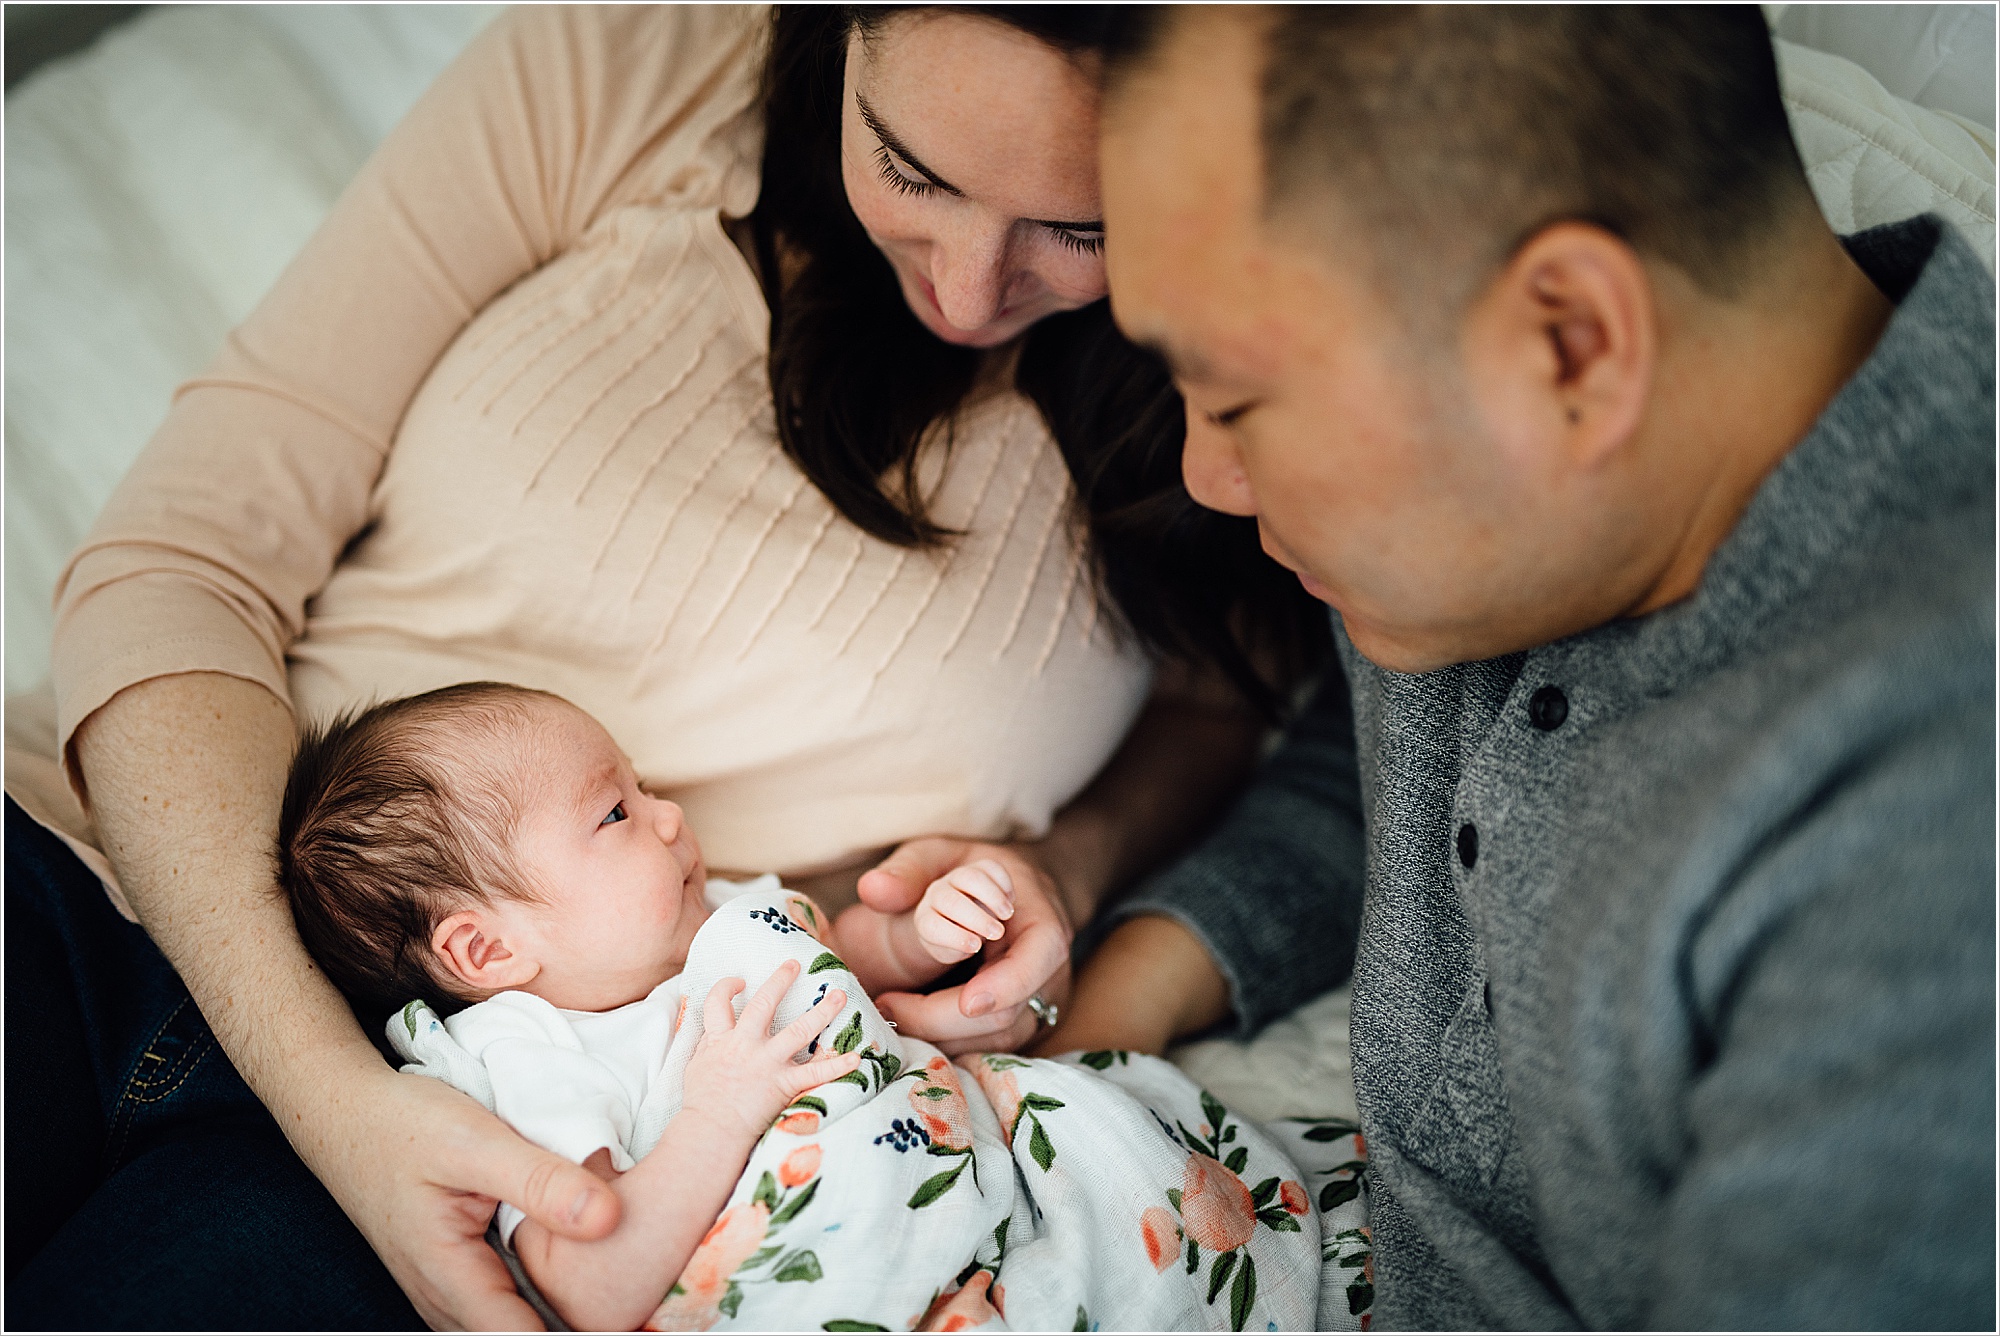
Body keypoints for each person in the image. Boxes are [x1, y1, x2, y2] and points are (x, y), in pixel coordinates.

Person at [3, 6, 1328, 1327]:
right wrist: (333, 1098)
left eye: (1081, 226)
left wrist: (1069, 873)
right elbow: (183, 557)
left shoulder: (1254, 362)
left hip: (515, 1162)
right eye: (912, 169)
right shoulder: (648, 60)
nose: (971, 288)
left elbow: (1225, 709)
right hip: (90, 868)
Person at [1053, 5, 1995, 1329]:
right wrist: (1118, 998)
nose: (1207, 476)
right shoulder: (1520, 524)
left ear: (1572, 343)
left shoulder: (1931, 843)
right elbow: (1419, 778)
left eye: (1236, 398)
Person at [280, 682, 1321, 1333]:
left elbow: (839, 952)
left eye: (639, 788)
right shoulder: (523, 1054)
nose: (671, 815)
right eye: (614, 812)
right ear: (487, 947)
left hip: (948, 1156)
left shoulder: (711, 917)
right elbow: (589, 1289)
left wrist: (924, 936)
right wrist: (718, 1110)